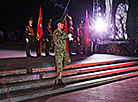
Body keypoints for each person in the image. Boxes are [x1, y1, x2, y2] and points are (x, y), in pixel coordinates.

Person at [53, 18, 73, 87]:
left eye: (63, 24)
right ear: (58, 25)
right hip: (58, 51)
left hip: (63, 50)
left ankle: (59, 67)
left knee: (68, 60)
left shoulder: (63, 32)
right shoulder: (56, 32)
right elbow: (59, 38)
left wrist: (70, 37)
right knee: (60, 65)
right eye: (61, 24)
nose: (63, 26)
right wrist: (66, 36)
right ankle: (59, 80)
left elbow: (66, 37)